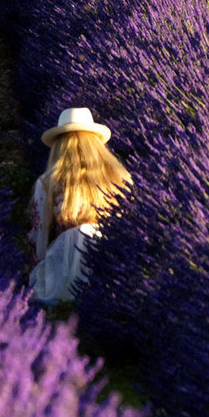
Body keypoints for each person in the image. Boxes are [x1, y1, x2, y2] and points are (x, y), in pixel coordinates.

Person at [27, 106, 132, 309]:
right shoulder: (121, 179)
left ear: (59, 145)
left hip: (62, 272)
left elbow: (38, 240)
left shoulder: (48, 183)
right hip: (106, 269)